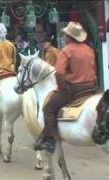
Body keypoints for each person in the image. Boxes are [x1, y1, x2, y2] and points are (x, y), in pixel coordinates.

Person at [34, 21, 98, 152]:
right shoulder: (89, 49)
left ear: (69, 37)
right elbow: (94, 70)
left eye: (66, 35)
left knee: (48, 109)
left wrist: (62, 88)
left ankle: (50, 140)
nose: (65, 37)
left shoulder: (67, 50)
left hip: (73, 89)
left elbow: (59, 73)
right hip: (90, 88)